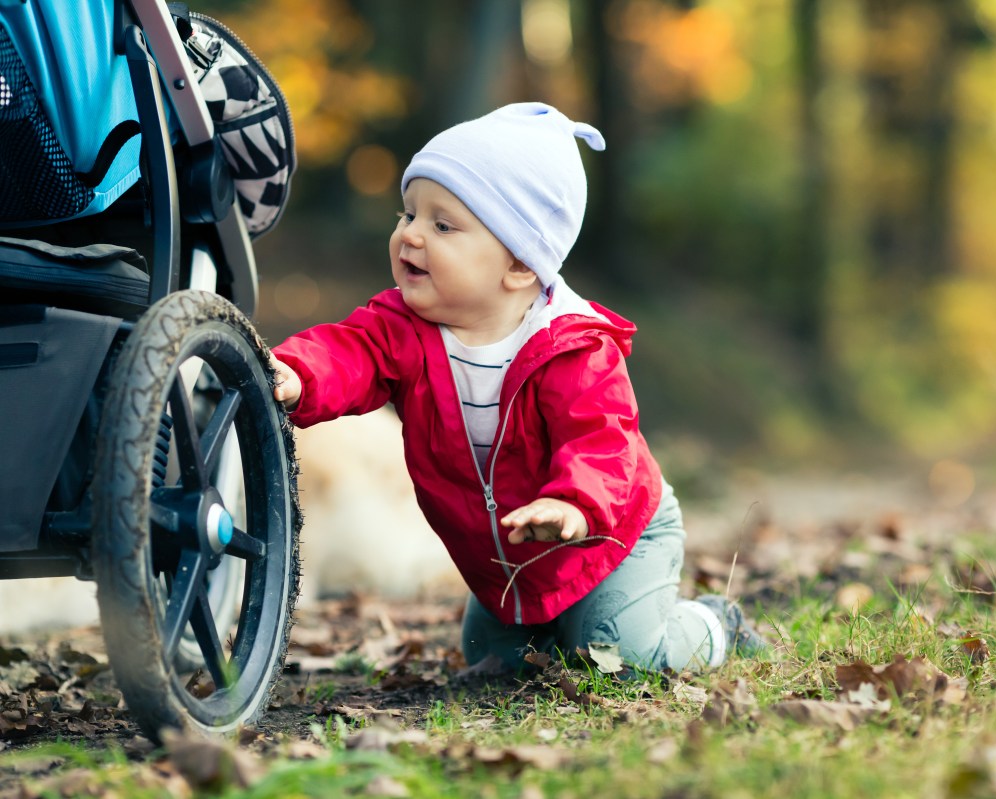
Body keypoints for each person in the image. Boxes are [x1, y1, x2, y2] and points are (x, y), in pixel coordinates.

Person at [269, 102, 768, 672]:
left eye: (442, 225)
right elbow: (348, 351)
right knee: (495, 665)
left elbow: (603, 440)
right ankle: (560, 622)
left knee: (621, 653)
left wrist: (573, 502)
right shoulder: (404, 329)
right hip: (513, 555)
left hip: (609, 533)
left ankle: (711, 623)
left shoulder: (571, 348)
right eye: (407, 214)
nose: (410, 236)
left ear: (520, 267)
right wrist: (297, 373)